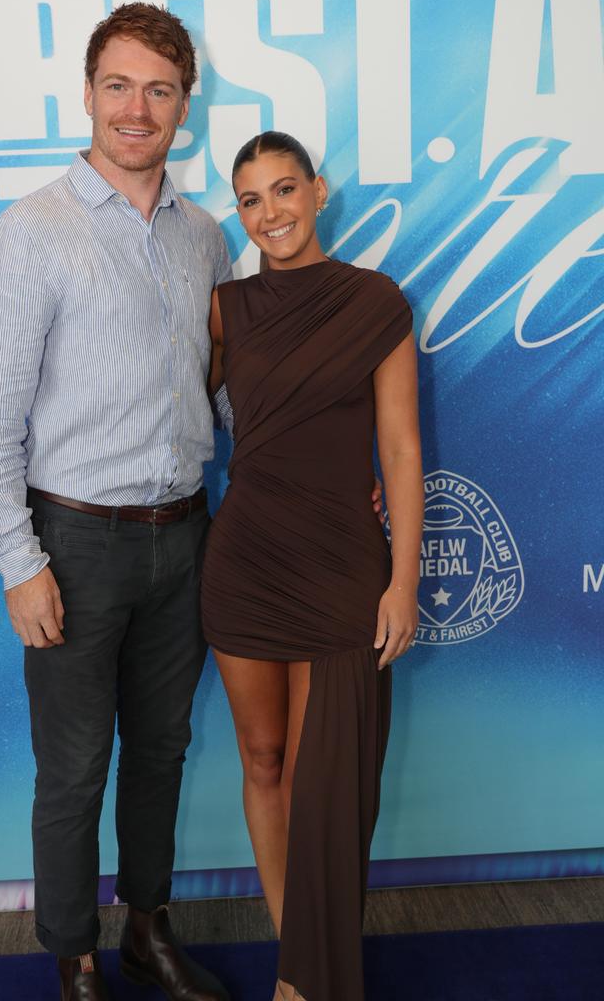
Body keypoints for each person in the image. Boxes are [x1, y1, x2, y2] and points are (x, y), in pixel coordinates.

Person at [0, 3, 234, 1001]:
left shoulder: (206, 234)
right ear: (86, 93)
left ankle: (145, 932)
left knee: (163, 748)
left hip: (185, 535)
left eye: (159, 90)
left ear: (184, 108)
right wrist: (19, 561)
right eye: (118, 85)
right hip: (73, 543)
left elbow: (227, 388)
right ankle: (74, 958)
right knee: (74, 770)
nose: (137, 107)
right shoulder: (31, 232)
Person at [201, 132, 424, 1001]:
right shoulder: (225, 309)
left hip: (341, 569)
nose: (270, 214)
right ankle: (300, 963)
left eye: (285, 190)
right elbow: (185, 415)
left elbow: (401, 449)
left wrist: (402, 579)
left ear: (319, 191)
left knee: (328, 784)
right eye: (251, 200)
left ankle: (311, 977)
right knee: (262, 761)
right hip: (245, 559)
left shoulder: (375, 302)